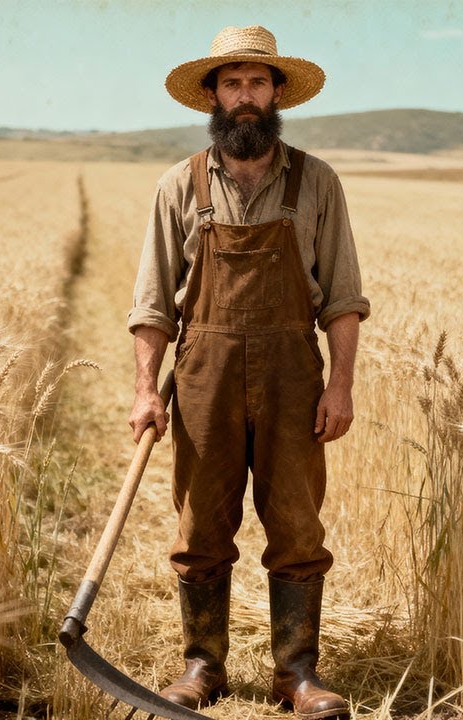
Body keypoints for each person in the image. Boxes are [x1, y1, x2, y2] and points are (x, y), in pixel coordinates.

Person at [126, 25, 369, 720]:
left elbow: (345, 298)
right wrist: (147, 389)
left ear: (276, 93)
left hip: (295, 372)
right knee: (201, 528)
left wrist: (340, 384)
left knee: (296, 527)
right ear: (212, 96)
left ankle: (297, 676)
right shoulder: (178, 186)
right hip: (203, 373)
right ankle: (203, 667)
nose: (244, 97)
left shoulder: (316, 181)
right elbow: (151, 304)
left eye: (257, 83)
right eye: (231, 83)